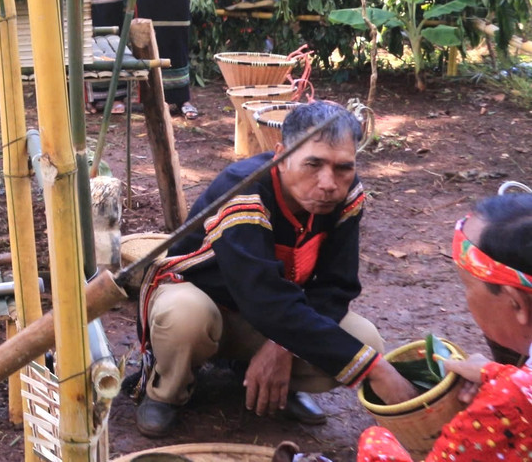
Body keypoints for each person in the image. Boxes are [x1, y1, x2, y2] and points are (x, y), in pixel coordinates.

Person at [133, 101, 420, 437]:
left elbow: (336, 287)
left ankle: (260, 376)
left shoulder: (346, 195)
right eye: (313, 164)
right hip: (204, 304)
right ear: (282, 156)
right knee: (184, 314)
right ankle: (167, 390)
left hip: (268, 316)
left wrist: (284, 346)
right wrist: (377, 372)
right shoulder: (242, 191)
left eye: (343, 167)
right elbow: (262, 298)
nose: (328, 182)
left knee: (365, 339)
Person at [357, 193, 532, 461]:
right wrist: (496, 373)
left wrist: (505, 391)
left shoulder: (507, 407)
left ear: (516, 303)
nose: (466, 299)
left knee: (376, 440)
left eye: (468, 286)